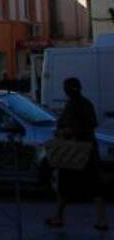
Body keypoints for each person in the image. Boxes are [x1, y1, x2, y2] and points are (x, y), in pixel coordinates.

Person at [46, 77, 108, 231]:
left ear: (67, 89)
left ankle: (59, 217)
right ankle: (102, 220)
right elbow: (92, 124)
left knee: (65, 185)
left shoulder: (73, 105)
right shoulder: (85, 103)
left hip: (73, 151)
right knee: (94, 186)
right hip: (88, 150)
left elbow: (79, 126)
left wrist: (67, 131)